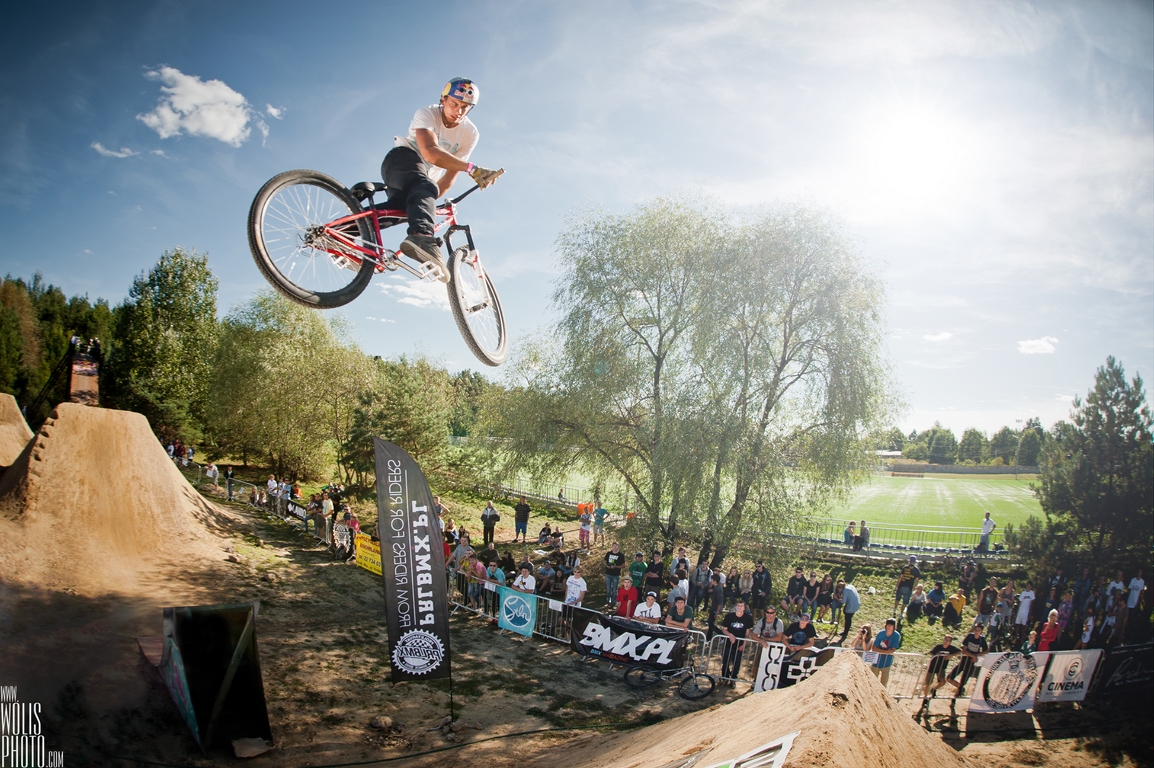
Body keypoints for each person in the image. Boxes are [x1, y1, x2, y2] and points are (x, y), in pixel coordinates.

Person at [378, 78, 500, 277]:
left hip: (421, 180)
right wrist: (473, 168)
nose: (458, 111)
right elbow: (430, 152)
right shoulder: (427, 113)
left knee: (399, 212)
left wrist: (427, 202)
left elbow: (450, 176)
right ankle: (422, 239)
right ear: (443, 99)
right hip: (400, 162)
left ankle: (343, 230)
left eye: (465, 107)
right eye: (454, 104)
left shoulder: (470, 134)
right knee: (424, 186)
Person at [946, 624, 988, 696]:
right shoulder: (970, 636)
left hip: (971, 664)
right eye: (975, 630)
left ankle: (955, 698)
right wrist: (973, 656)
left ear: (981, 631)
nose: (976, 632)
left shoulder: (982, 639)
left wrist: (976, 656)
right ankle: (960, 689)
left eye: (978, 630)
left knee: (963, 682)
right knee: (949, 677)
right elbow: (964, 650)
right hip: (963, 661)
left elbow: (986, 651)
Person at [719, 599, 753, 685]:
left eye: (741, 606)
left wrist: (744, 644)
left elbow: (747, 633)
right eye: (738, 606)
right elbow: (724, 630)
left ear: (744, 608)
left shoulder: (748, 618)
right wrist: (730, 635)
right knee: (725, 661)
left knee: (736, 663)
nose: (739, 608)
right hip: (728, 643)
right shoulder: (729, 616)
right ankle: (725, 678)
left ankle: (733, 679)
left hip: (739, 644)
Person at [923, 634, 960, 699]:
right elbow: (931, 652)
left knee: (943, 681)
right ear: (943, 640)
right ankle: (925, 697)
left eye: (948, 641)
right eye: (945, 640)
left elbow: (960, 651)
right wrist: (937, 654)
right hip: (933, 666)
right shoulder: (938, 647)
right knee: (928, 683)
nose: (946, 641)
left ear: (950, 642)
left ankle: (934, 689)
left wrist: (951, 655)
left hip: (941, 667)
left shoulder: (951, 648)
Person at [870, 618, 902, 687]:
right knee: (872, 680)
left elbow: (892, 650)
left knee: (883, 682)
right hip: (876, 660)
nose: (889, 627)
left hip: (887, 662)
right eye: (888, 625)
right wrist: (886, 651)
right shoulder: (881, 633)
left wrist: (881, 650)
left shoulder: (896, 635)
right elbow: (874, 648)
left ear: (894, 627)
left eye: (891, 625)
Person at [604, 542, 625, 609]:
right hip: (608, 573)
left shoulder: (621, 555)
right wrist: (607, 565)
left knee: (614, 589)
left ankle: (614, 601)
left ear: (618, 547)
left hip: (616, 575)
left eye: (616, 546)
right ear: (612, 546)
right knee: (608, 588)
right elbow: (604, 561)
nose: (615, 547)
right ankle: (607, 600)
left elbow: (623, 565)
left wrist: (616, 567)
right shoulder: (608, 553)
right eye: (614, 546)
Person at [707, 573, 726, 639]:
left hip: (716, 609)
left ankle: (722, 635)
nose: (711, 581)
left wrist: (717, 612)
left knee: (711, 624)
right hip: (713, 608)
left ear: (714, 581)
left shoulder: (718, 589)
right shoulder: (716, 588)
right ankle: (708, 638)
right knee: (710, 624)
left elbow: (719, 602)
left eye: (712, 580)